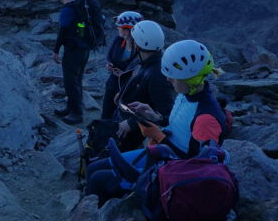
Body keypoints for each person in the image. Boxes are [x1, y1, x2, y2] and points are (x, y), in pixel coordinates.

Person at [85, 39, 226, 204]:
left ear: (189, 78)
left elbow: (196, 165)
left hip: (172, 172)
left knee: (97, 179)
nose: (168, 80)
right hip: (160, 154)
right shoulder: (187, 94)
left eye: (172, 78)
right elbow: (177, 127)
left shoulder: (205, 119)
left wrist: (159, 136)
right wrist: (154, 116)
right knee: (93, 167)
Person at [112, 20, 176, 151]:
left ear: (138, 44)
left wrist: (133, 122)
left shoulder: (158, 75)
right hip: (123, 118)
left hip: (129, 129)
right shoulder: (145, 60)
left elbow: (164, 114)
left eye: (134, 39)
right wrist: (121, 94)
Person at [51, 0, 101, 125]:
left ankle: (76, 114)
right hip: (84, 49)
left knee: (70, 81)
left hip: (73, 50)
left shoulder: (67, 10)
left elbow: (63, 30)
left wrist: (55, 50)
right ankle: (71, 107)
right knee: (77, 79)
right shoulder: (81, 6)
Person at [101, 11, 141, 119]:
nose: (117, 28)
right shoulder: (119, 40)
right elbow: (110, 55)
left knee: (122, 115)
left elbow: (142, 71)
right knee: (107, 112)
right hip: (113, 83)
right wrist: (109, 64)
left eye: (119, 26)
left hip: (128, 88)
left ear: (127, 30)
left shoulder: (141, 48)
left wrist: (125, 75)